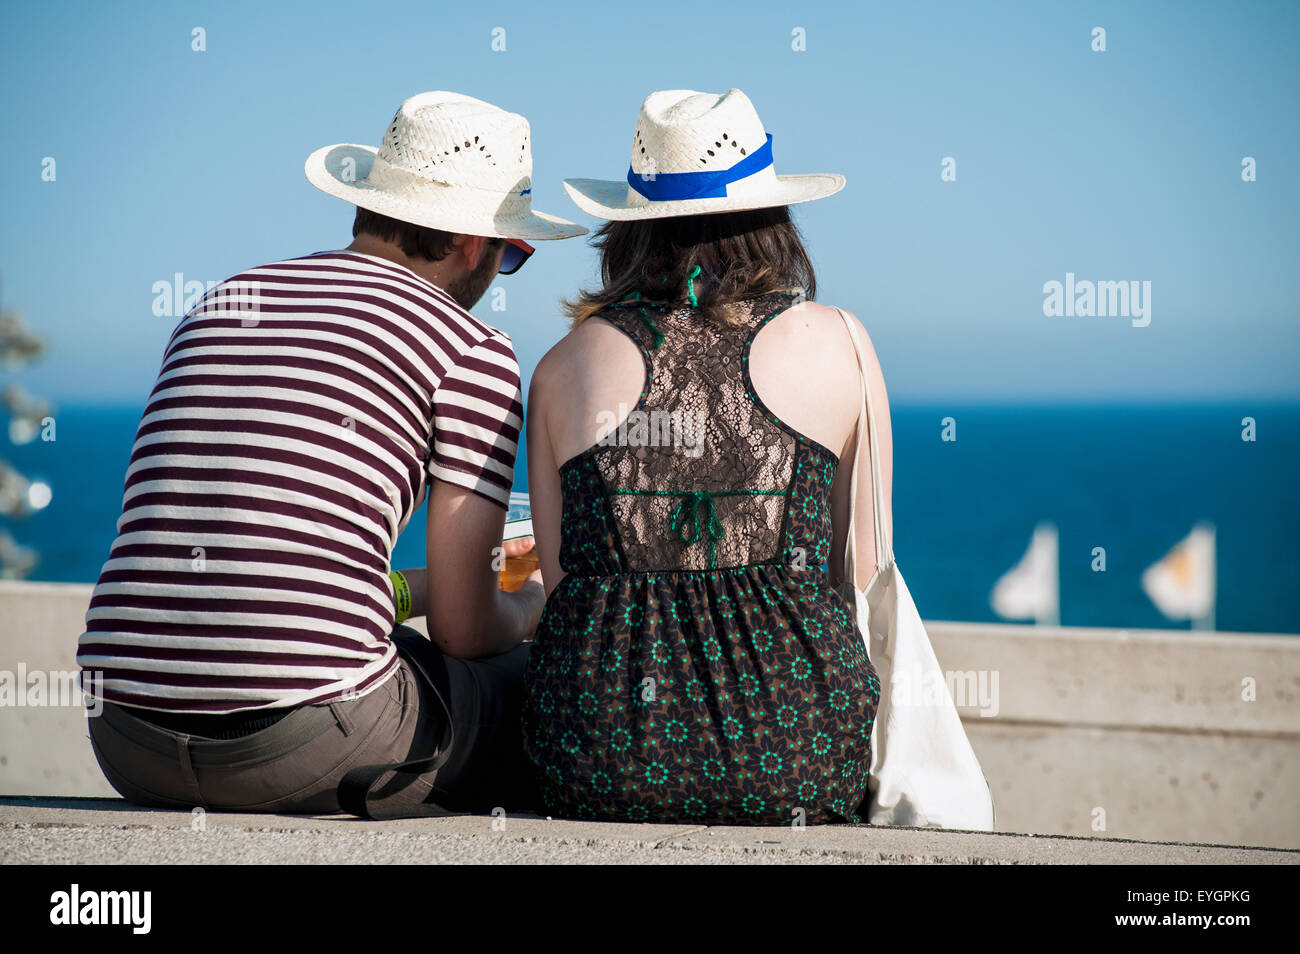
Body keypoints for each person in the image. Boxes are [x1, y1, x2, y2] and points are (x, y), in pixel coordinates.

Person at [77, 91, 585, 815]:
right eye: (512, 255)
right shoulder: (470, 348)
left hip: (126, 737)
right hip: (306, 745)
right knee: (529, 682)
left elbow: (262, 561)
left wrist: (416, 589)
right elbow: (467, 632)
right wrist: (533, 602)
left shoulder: (223, 300)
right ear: (475, 243)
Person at [521, 88, 890, 824]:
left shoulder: (561, 368)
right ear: (773, 221)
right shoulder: (841, 342)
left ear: (630, 230)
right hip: (797, 758)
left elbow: (563, 595)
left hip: (600, 759)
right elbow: (866, 575)